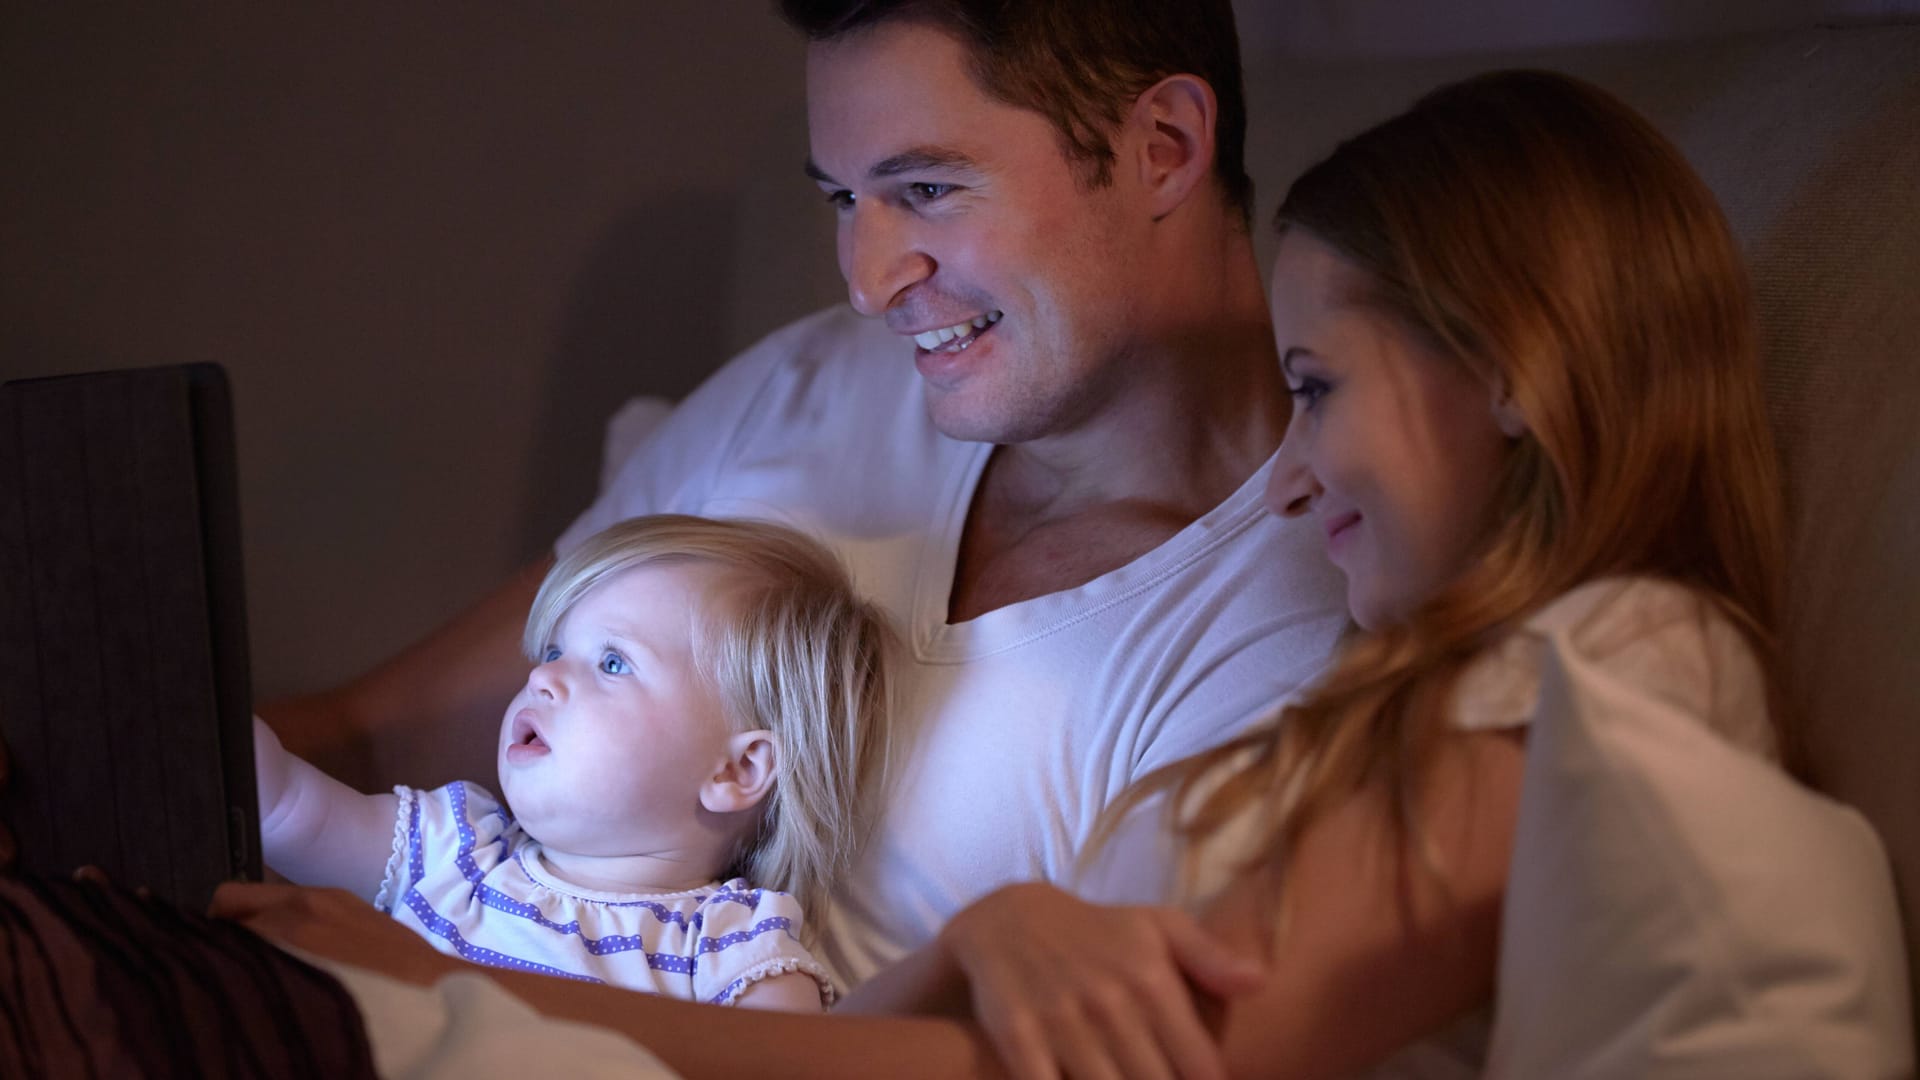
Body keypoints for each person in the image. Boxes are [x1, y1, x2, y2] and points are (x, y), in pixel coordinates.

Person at [259, 0, 1347, 994]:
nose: (868, 284)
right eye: (842, 199)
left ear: (1162, 150)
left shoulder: (1279, 639)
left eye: (927, 189)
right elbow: (369, 733)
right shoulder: (817, 382)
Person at [846, 67, 1811, 1077]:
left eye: (1316, 386)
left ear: (1509, 369)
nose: (1284, 488)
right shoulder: (1410, 687)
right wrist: (981, 935)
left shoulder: (1618, 663)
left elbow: (1163, 1058)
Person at [253, 514, 893, 1010]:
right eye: (554, 648)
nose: (545, 676)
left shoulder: (730, 949)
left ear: (736, 772)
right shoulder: (458, 848)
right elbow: (284, 810)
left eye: (613, 662)